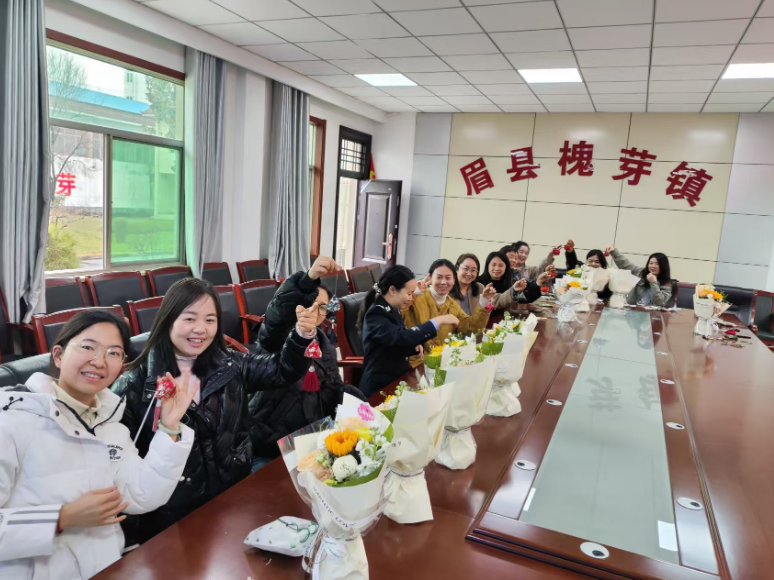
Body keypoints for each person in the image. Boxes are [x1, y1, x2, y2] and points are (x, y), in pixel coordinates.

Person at [113, 278, 316, 544]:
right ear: (168, 320)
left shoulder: (228, 365)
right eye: (189, 319)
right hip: (170, 520)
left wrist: (301, 336)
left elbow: (281, 371)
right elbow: (119, 470)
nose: (201, 329)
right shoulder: (134, 385)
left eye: (210, 320)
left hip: (234, 498)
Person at [0, 310, 197, 580]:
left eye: (114, 353)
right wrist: (61, 518)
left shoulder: (110, 425)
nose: (99, 361)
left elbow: (140, 495)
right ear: (58, 355)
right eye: (88, 347)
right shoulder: (11, 420)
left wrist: (170, 427)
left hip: (105, 569)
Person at [249, 256, 366, 470]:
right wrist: (307, 280)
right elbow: (276, 319)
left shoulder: (324, 344)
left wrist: (357, 403)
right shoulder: (278, 338)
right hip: (270, 444)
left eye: (321, 307)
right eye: (308, 304)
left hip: (308, 443)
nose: (313, 312)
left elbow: (332, 389)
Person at [359, 265, 458, 397]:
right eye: (409, 293)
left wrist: (413, 348)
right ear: (392, 290)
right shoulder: (376, 313)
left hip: (397, 380)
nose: (411, 298)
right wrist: (436, 322)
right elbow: (399, 336)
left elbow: (395, 342)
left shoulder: (393, 308)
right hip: (380, 387)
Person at [403, 259, 492, 358]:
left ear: (454, 280)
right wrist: (414, 293)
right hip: (414, 359)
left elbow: (471, 326)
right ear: (431, 278)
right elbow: (399, 315)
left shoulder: (452, 305)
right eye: (439, 277)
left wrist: (484, 300)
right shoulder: (417, 298)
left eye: (448, 278)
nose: (443, 282)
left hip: (440, 361)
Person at [474, 251, 543, 312]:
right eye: (493, 265)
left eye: (501, 265)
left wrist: (538, 283)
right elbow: (496, 301)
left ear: (506, 267)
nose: (497, 268)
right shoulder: (479, 283)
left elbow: (523, 298)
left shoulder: (509, 280)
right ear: (487, 266)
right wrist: (513, 290)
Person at [605, 246, 673, 307]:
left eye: (657, 264)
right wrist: (614, 252)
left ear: (663, 266)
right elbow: (626, 264)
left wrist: (654, 282)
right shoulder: (641, 273)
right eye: (651, 263)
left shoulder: (666, 283)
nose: (653, 266)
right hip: (635, 309)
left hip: (653, 313)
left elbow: (659, 302)